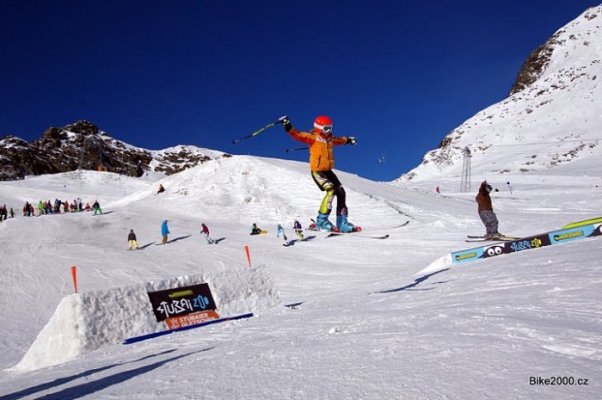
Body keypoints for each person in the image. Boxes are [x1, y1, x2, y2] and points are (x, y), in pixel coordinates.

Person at [280, 115, 359, 233]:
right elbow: (297, 135)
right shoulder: (313, 137)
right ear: (319, 128)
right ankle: (321, 221)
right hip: (318, 171)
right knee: (331, 190)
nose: (329, 131)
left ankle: (342, 222)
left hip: (328, 171)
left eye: (330, 128)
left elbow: (339, 140)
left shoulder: (330, 139)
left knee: (341, 192)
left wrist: (348, 140)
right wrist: (287, 125)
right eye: (326, 129)